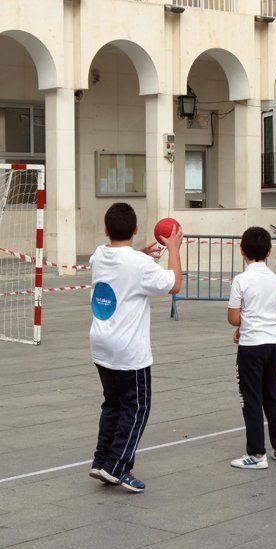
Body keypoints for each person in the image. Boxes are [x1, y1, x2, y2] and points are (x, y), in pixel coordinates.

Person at [88, 203, 182, 493]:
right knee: (137, 408)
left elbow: (121, 260)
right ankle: (117, 466)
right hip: (129, 350)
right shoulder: (140, 266)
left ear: (106, 230)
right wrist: (174, 248)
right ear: (136, 229)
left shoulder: (98, 255)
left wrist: (138, 253)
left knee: (113, 404)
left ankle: (101, 460)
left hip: (102, 344)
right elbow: (174, 284)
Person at [228, 227, 276, 469]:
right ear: (269, 251)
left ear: (242, 250)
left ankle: (256, 454)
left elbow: (234, 317)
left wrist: (243, 321)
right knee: (271, 395)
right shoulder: (275, 278)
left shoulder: (241, 280)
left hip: (252, 344)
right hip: (274, 342)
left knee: (251, 398)